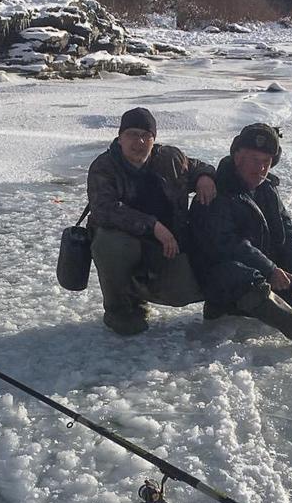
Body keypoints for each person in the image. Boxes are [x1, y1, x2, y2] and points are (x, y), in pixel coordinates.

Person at [87, 107, 217, 335]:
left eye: (145, 136)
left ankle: (142, 288)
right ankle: (120, 308)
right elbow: (104, 209)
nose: (138, 141)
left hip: (165, 245)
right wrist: (154, 226)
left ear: (153, 139)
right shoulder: (103, 167)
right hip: (126, 242)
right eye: (132, 134)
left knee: (183, 293)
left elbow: (199, 167)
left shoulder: (170, 158)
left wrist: (205, 177)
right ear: (119, 139)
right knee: (111, 243)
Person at [189, 123, 292, 345]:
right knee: (239, 275)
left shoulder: (267, 189)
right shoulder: (218, 191)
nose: (261, 168)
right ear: (238, 157)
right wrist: (270, 269)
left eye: (266, 162)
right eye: (254, 160)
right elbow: (227, 243)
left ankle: (248, 305)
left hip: (259, 271)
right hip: (219, 273)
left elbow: (288, 229)